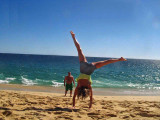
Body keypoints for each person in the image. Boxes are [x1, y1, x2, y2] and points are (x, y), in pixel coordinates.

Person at [70, 31, 127, 109]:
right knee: (79, 49)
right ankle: (73, 37)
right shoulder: (79, 85)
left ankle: (119, 59)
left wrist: (88, 107)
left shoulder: (87, 86)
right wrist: (73, 105)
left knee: (105, 62)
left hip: (89, 70)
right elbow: (74, 97)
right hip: (83, 67)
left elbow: (90, 98)